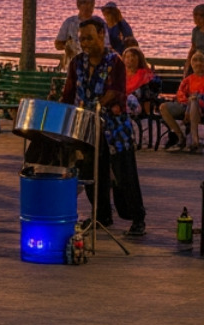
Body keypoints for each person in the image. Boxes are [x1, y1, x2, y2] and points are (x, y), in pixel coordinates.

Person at [58, 20, 147, 237]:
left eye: (89, 38)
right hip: (87, 126)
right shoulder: (77, 63)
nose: (85, 43)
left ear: (101, 34)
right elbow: (69, 92)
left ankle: (137, 218)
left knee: (124, 174)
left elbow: (115, 91)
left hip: (114, 128)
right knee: (92, 172)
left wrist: (94, 105)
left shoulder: (114, 61)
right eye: (82, 39)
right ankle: (101, 214)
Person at [160, 51, 204, 151]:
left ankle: (195, 141)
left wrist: (196, 100)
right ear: (192, 64)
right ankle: (180, 137)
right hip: (186, 105)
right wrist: (188, 102)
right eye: (195, 60)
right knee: (163, 107)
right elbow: (180, 93)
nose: (198, 63)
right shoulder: (188, 79)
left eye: (201, 60)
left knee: (194, 101)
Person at [54, 0, 106, 70]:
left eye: (91, 3)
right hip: (74, 65)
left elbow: (107, 44)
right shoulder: (69, 22)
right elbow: (58, 44)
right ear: (78, 5)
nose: (88, 6)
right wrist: (67, 47)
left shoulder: (100, 22)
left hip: (94, 66)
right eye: (84, 3)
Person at [122, 47, 161, 132]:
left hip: (140, 105)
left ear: (139, 59)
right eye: (127, 57)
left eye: (133, 56)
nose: (130, 59)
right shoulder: (120, 74)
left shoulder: (146, 74)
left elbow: (150, 93)